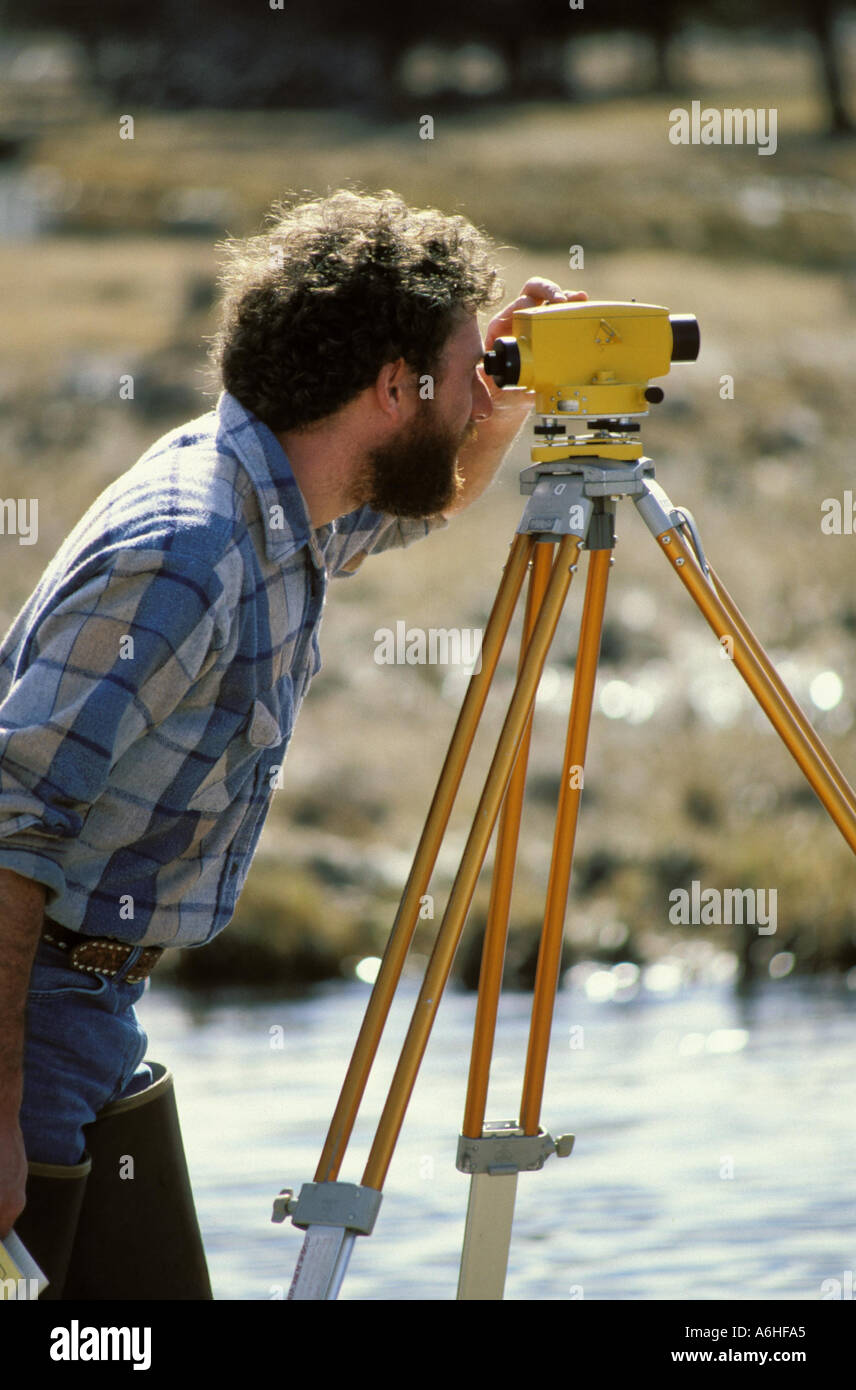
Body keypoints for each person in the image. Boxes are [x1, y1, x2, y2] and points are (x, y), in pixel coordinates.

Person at [0, 188, 585, 1297]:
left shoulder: (283, 495)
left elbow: (410, 503)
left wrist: (496, 417)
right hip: (32, 1018)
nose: (479, 394)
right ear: (391, 389)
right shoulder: (190, 552)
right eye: (466, 375)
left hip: (91, 1011)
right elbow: (8, 819)